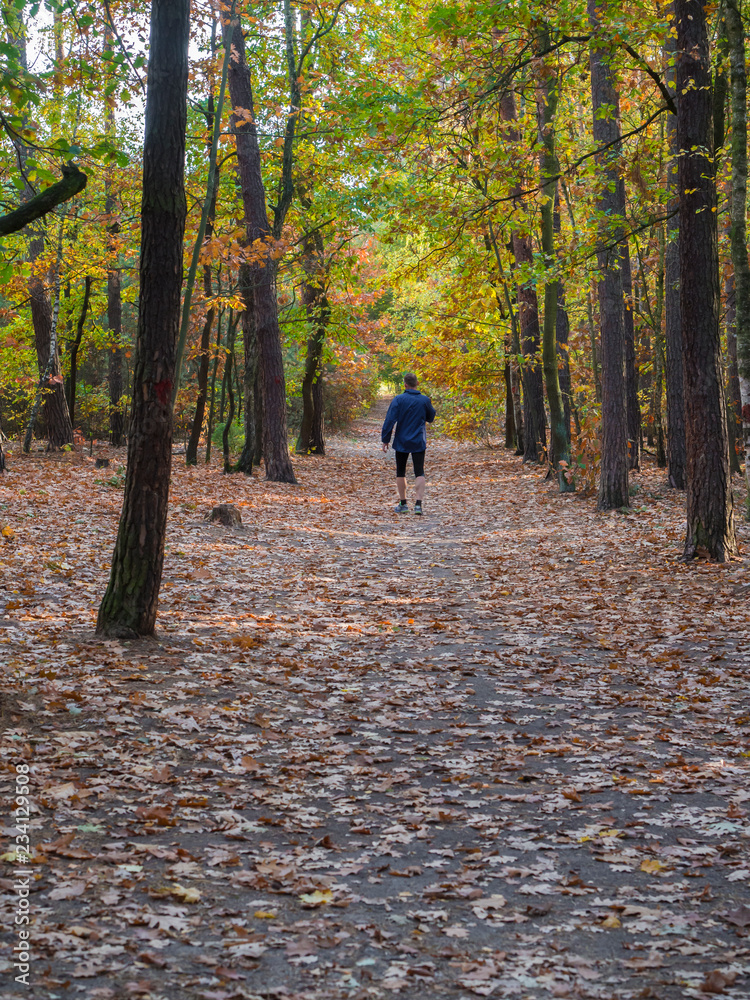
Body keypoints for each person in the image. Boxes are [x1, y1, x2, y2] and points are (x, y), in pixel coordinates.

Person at [381, 372, 436, 515]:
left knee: (401, 471)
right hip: (418, 440)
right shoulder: (424, 400)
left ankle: (403, 503)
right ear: (417, 383)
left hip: (401, 441)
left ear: (405, 385)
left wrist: (385, 439)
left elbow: (390, 420)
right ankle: (418, 505)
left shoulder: (399, 399)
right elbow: (431, 417)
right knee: (419, 471)